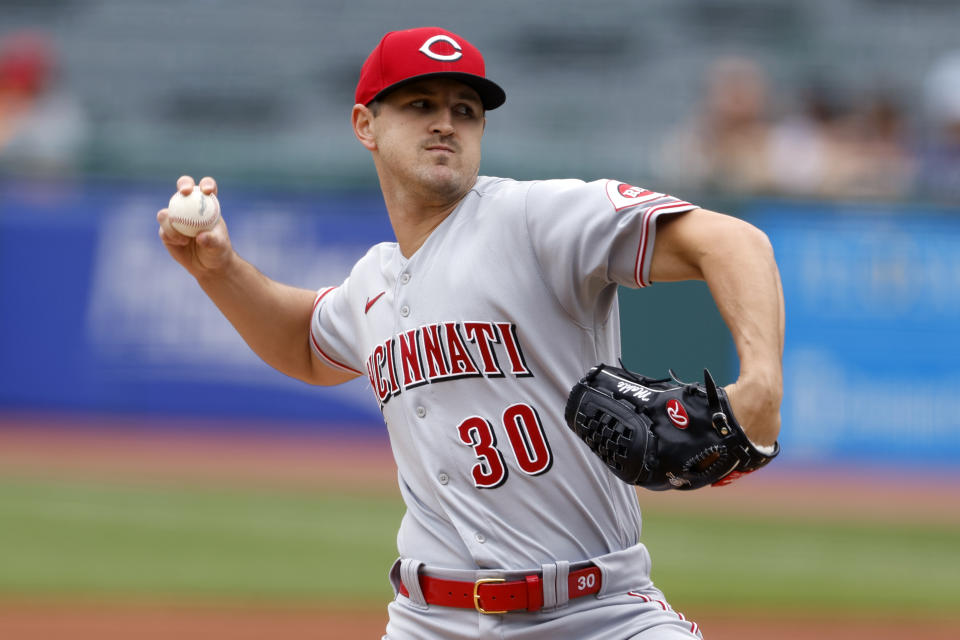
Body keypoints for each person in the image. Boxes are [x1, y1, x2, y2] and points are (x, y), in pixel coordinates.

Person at [157, 27, 784, 640]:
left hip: (600, 613)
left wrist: (761, 385)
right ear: (364, 125)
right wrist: (219, 271)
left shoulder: (535, 218)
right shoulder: (373, 279)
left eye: (466, 109)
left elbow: (733, 241)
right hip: (428, 618)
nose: (446, 123)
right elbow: (301, 340)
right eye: (420, 104)